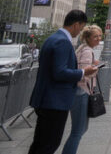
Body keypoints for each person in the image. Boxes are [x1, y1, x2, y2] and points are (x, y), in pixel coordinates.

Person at [28, 10, 99, 154]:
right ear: (76, 24)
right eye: (81, 26)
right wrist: (83, 72)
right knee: (49, 144)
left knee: (41, 143)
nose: (80, 31)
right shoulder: (62, 42)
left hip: (47, 99)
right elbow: (59, 72)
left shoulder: (53, 38)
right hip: (54, 101)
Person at [62, 25, 102, 154]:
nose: (98, 39)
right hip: (81, 91)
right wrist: (94, 69)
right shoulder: (87, 51)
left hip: (80, 91)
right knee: (78, 131)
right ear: (87, 38)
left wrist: (93, 64)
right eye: (95, 36)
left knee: (80, 129)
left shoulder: (82, 49)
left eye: (100, 36)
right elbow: (83, 73)